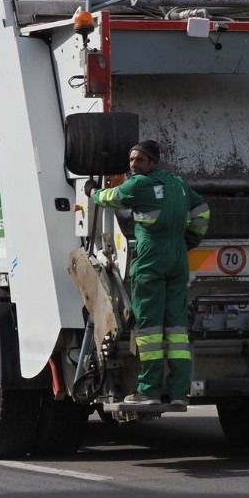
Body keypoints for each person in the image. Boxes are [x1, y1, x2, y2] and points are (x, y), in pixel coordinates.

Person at [89, 140, 210, 407]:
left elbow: (112, 197)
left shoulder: (139, 185)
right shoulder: (178, 184)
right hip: (178, 259)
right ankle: (179, 392)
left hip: (151, 262)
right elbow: (202, 209)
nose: (133, 165)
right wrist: (191, 239)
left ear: (152, 162)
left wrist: (93, 191)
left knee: (149, 329)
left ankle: (149, 390)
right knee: (177, 329)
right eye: (131, 160)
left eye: (140, 160)